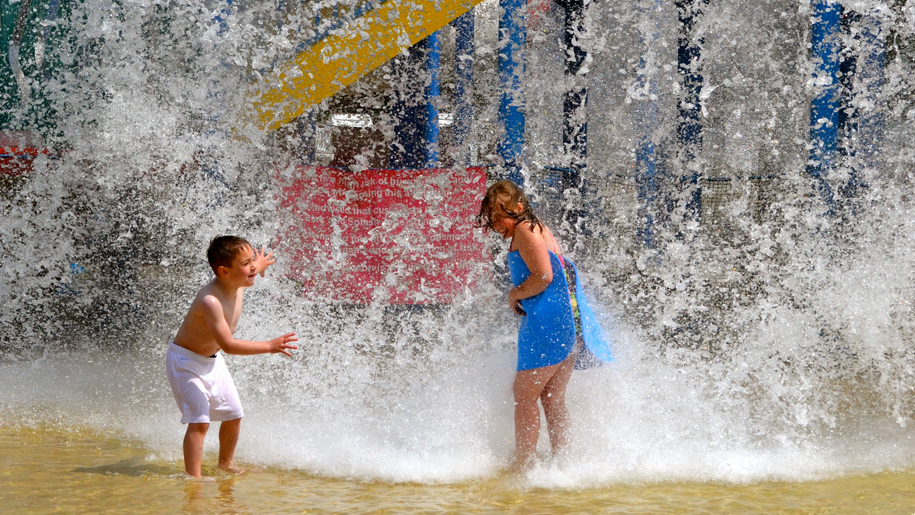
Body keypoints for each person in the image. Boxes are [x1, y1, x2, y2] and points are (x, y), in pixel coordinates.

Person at [166, 235, 298, 478]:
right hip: (186, 363)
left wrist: (261, 263)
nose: (253, 269)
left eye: (251, 262)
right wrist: (269, 346)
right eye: (246, 264)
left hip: (212, 361)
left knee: (233, 414)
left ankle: (225, 465)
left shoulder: (237, 279)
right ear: (224, 272)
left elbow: (255, 266)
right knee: (200, 420)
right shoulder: (210, 301)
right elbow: (228, 344)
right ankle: (193, 479)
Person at [476, 180, 580, 471]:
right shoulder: (537, 228)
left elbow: (544, 276)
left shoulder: (524, 230)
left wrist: (514, 294)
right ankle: (564, 465)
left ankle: (526, 467)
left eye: (500, 215)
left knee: (524, 397)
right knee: (552, 398)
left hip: (550, 322)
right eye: (491, 218)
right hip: (565, 318)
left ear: (519, 208)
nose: (496, 224)